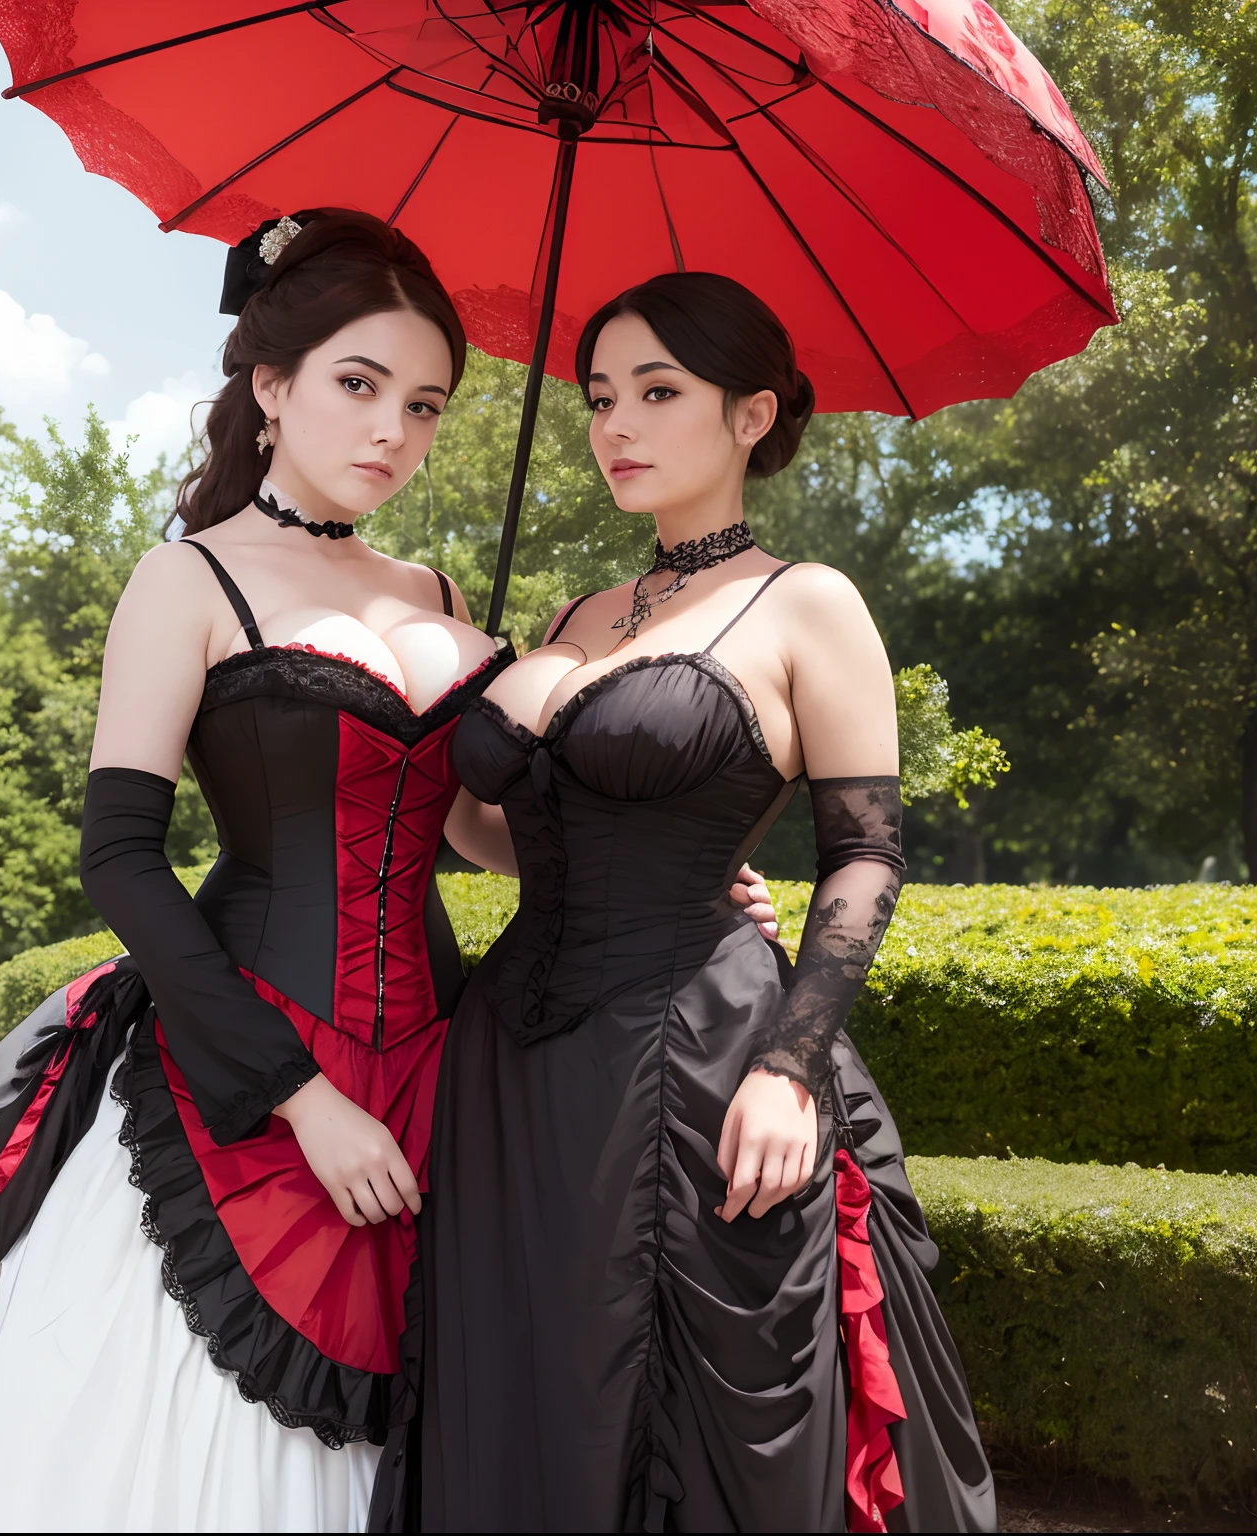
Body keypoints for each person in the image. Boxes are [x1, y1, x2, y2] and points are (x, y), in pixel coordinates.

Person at [0, 213, 784, 1533]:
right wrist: (301, 1100)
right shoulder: (184, 582)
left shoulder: (439, 587)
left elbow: (476, 833)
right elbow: (121, 861)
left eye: (423, 405)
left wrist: (666, 885)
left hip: (441, 1074)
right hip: (240, 1062)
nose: (391, 434)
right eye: (358, 386)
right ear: (272, 385)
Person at [396, 272, 996, 1533]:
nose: (616, 424)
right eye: (600, 395)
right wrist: (451, 678)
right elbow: (499, 838)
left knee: (684, 1412)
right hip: (507, 1066)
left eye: (657, 392)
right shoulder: (574, 612)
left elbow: (865, 857)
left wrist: (788, 1064)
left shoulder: (807, 602)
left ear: (748, 413)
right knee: (515, 1391)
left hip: (694, 1059)